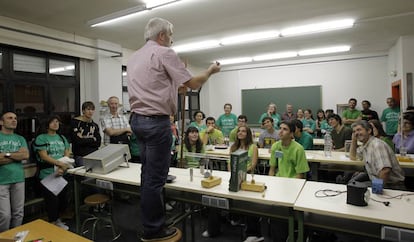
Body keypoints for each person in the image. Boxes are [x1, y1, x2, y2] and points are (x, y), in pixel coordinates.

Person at [127, 17, 220, 241]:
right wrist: (209, 71)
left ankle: (149, 222)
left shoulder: (134, 57)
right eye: (170, 35)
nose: (172, 39)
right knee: (155, 180)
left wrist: (176, 79)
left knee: (147, 174)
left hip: (137, 120)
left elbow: (159, 86)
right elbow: (194, 84)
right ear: (161, 36)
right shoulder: (164, 53)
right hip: (156, 122)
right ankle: (154, 229)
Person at [268, 121, 309, 242]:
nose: (280, 131)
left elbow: (300, 174)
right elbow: (272, 168)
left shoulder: (298, 149)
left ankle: (293, 234)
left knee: (286, 212)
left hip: (293, 184)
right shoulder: (276, 146)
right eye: (280, 128)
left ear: (292, 133)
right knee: (275, 213)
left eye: (284, 129)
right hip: (278, 183)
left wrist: (289, 189)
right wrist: (271, 184)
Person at [34, 116, 71, 230]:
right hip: (48, 174)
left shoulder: (62, 137)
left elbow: (67, 153)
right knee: (52, 201)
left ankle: (58, 219)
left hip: (62, 173)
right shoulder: (41, 138)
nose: (55, 124)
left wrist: (63, 166)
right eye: (52, 122)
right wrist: (59, 164)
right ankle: (53, 222)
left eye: (57, 122)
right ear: (47, 124)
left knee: (63, 200)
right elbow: (44, 156)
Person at [349, 120, 405, 189]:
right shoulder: (366, 145)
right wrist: (354, 140)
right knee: (351, 185)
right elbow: (353, 157)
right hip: (377, 181)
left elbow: (385, 171)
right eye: (354, 131)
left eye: (359, 130)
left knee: (354, 188)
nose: (356, 133)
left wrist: (376, 191)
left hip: (391, 186)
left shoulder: (377, 145)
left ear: (369, 131)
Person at [0, 112, 29, 232]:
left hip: (18, 179)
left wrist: (6, 155)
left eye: (15, 118)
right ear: (1, 122)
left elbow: (25, 155)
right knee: (5, 216)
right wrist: (16, 156)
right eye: (10, 118)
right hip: (2, 181)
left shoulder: (20, 138)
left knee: (18, 213)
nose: (14, 120)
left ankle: (15, 238)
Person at [70, 101, 101, 166]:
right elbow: (78, 141)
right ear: (83, 111)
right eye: (88, 109)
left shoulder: (95, 125)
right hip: (81, 156)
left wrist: (84, 138)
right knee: (87, 175)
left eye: (92, 110)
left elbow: (98, 142)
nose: (90, 112)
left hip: (94, 155)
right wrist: (93, 139)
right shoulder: (75, 123)